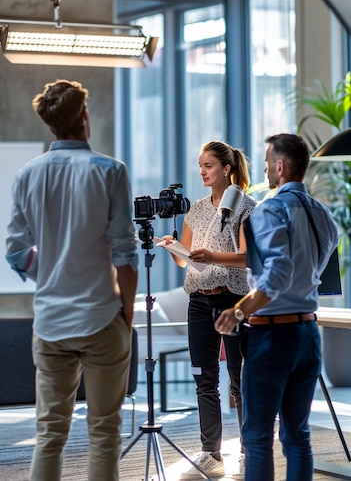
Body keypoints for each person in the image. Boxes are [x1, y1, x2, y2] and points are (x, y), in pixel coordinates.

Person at [5, 79, 139, 481]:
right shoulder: (110, 171)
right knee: (104, 433)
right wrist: (126, 314)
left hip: (49, 322)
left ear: (51, 125)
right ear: (84, 116)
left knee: (49, 434)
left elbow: (15, 251)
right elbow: (125, 254)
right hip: (102, 317)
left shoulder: (28, 175)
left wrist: (49, 271)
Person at [215, 133, 339, 481]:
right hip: (308, 333)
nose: (266, 168)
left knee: (256, 437)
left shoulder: (271, 208)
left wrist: (239, 309)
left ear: (281, 167)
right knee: (297, 436)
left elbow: (278, 273)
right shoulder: (324, 215)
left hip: (273, 335)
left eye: (269, 162)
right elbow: (313, 269)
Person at [162, 140, 256, 480]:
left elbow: (248, 257)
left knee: (239, 380)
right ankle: (210, 452)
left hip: (232, 299)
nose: (202, 171)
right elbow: (184, 259)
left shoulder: (246, 207)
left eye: (209, 166)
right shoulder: (196, 209)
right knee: (204, 379)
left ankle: (249, 451)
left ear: (226, 169)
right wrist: (174, 247)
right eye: (200, 166)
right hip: (198, 301)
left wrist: (211, 256)